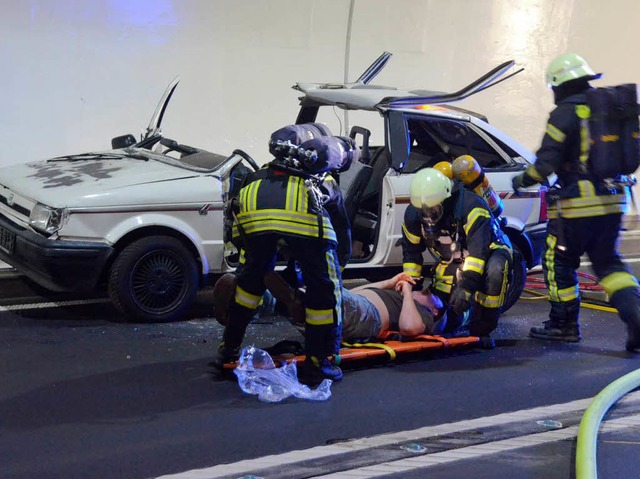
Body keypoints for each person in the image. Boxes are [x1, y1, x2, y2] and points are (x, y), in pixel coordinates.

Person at [511, 52, 640, 350]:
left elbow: (544, 165)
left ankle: (563, 324)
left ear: (559, 85)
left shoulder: (566, 113)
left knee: (559, 261)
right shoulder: (608, 109)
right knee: (609, 264)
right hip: (615, 201)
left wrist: (522, 180)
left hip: (577, 208)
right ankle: (637, 320)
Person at [212, 132, 353, 387]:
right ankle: (319, 363)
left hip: (254, 223)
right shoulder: (322, 179)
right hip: (302, 226)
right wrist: (337, 272)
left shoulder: (261, 174)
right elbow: (341, 229)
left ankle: (228, 347)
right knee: (324, 295)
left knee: (248, 288)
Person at [401, 167, 513, 348]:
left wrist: (466, 287)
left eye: (433, 210)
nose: (428, 216)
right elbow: (411, 254)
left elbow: (478, 256)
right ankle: (457, 318)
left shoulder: (472, 207)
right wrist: (410, 288)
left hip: (489, 250)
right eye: (424, 211)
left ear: (445, 199)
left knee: (494, 271)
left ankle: (482, 329)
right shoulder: (413, 215)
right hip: (454, 256)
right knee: (449, 306)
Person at [262, 271, 445, 343]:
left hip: (368, 315)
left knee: (327, 292)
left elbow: (409, 327)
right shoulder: (403, 299)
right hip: (354, 304)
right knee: (333, 295)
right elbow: (357, 291)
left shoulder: (424, 314)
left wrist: (407, 292)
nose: (423, 291)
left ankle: (297, 300)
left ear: (434, 309)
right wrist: (390, 282)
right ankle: (264, 301)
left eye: (429, 295)